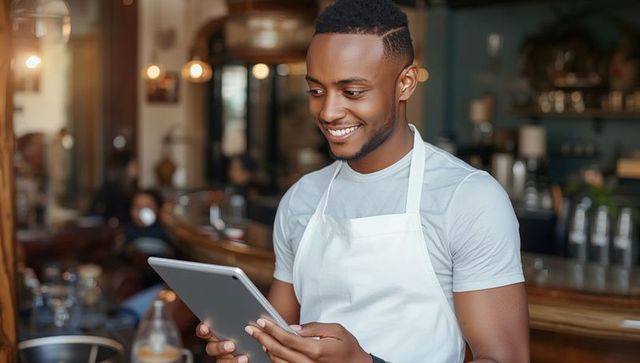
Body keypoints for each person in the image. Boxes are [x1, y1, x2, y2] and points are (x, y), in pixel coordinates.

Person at [197, 1, 529, 362]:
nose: (328, 112)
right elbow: (279, 343)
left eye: (352, 92)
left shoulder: (468, 199)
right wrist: (245, 352)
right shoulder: (302, 199)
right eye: (316, 91)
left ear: (405, 84)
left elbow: (504, 358)